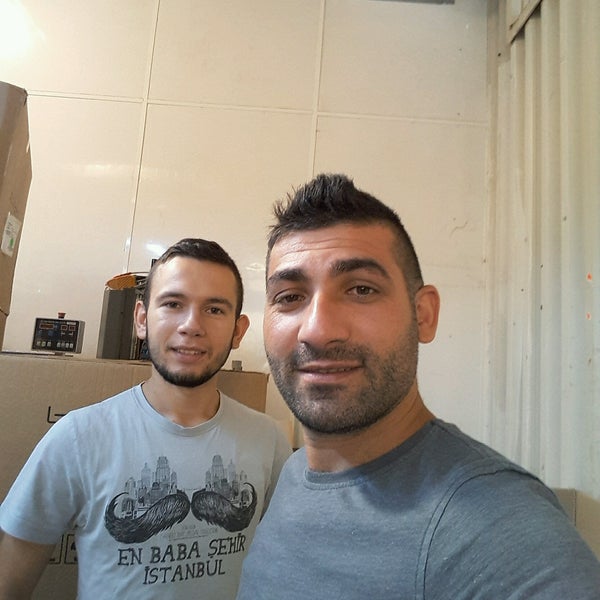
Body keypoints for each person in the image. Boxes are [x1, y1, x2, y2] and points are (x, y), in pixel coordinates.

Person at [236, 174, 600, 599]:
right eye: (289, 297)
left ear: (423, 315)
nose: (317, 330)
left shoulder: (501, 532)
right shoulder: (295, 474)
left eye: (360, 289)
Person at [0, 238, 292, 599]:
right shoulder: (78, 437)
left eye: (214, 309)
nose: (191, 325)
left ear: (237, 331)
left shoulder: (269, 442)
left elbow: (286, 566)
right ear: (142, 319)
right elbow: (10, 581)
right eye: (173, 304)